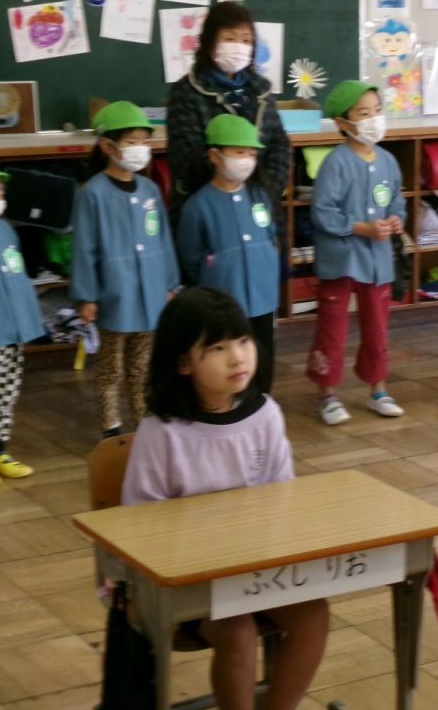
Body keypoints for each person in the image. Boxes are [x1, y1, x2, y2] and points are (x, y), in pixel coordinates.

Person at [121, 286, 328, 710]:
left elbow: (283, 497)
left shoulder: (265, 414)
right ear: (183, 363)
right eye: (217, 348)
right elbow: (140, 525)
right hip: (190, 579)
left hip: (257, 567)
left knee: (313, 617)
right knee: (238, 634)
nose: (237, 358)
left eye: (243, 341)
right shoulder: (162, 432)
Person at [71, 101, 180, 438]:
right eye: (132, 142)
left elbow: (162, 239)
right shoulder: (93, 193)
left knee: (143, 366)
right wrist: (87, 296)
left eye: (145, 141)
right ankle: (111, 428)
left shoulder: (149, 190)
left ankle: (145, 422)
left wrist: (169, 284)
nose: (140, 149)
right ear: (108, 146)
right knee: (112, 368)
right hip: (114, 294)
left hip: (151, 293)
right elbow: (84, 248)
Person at [306, 80, 405, 426]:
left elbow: (397, 201)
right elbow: (323, 212)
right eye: (364, 113)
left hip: (377, 260)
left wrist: (397, 220)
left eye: (377, 111)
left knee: (377, 327)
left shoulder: (389, 161)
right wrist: (362, 228)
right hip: (341, 259)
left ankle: (378, 389)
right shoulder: (336, 162)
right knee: (332, 328)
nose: (374, 119)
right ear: (342, 123)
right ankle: (327, 394)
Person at [166, 0, 290, 230]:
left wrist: (262, 192)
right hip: (209, 210)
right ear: (210, 42)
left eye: (246, 40)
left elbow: (279, 144)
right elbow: (186, 158)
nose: (239, 47)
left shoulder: (261, 90)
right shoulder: (187, 91)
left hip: (260, 206)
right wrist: (229, 189)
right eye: (230, 38)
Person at [177, 114, 279, 394]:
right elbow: (191, 256)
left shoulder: (259, 196)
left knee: (262, 356)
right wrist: (215, 271)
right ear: (215, 156)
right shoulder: (198, 205)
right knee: (229, 358)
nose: (247, 160)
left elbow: (270, 234)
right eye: (239, 152)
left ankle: (261, 402)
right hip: (223, 299)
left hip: (262, 296)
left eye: (251, 154)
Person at [0, 158, 43, 486]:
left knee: (4, 393)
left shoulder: (6, 230)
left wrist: (26, 319)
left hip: (10, 329)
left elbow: (18, 278)